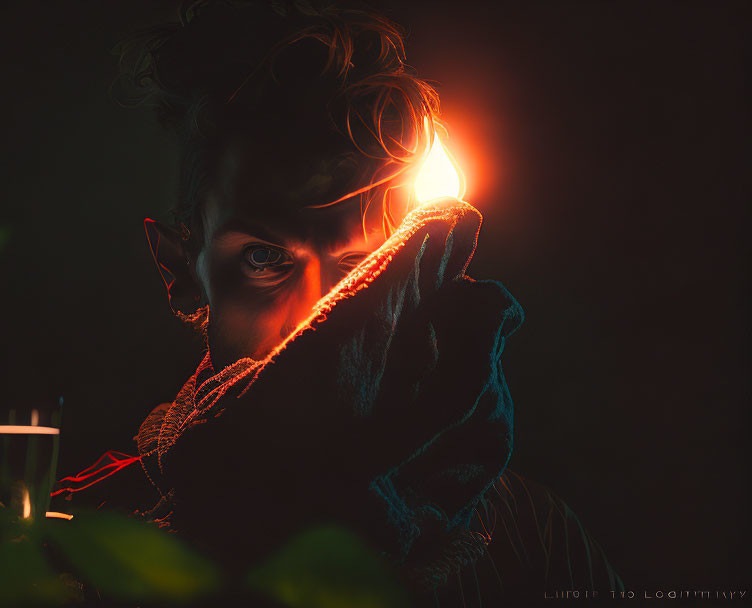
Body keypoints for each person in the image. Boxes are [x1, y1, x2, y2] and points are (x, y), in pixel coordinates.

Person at [53, 2, 623, 605]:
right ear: (180, 269)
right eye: (265, 259)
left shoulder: (528, 539)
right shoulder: (78, 544)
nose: (317, 317)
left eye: (366, 269)